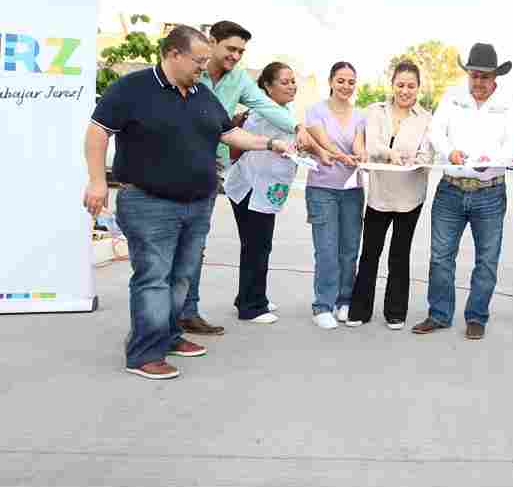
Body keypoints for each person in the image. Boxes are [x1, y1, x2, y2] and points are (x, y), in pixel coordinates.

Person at [82, 26, 291, 380]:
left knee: (181, 278)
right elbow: (98, 130)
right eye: (198, 60)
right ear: (173, 54)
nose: (202, 67)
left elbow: (227, 132)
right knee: (153, 278)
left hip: (197, 203)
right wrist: (97, 181)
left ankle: (170, 335)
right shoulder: (132, 88)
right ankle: (144, 353)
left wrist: (271, 144)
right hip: (149, 202)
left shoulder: (200, 94)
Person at [180, 20, 314, 337]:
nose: (236, 56)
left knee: (195, 245)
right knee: (178, 246)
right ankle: (239, 304)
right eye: (231, 48)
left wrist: (296, 128)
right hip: (187, 167)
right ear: (211, 42)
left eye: (241, 51)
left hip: (208, 169)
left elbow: (268, 109)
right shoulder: (192, 75)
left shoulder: (241, 82)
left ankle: (189, 312)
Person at [412, 43, 513, 340]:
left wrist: (496, 161)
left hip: (490, 192)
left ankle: (476, 317)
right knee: (440, 257)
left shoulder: (509, 102)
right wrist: (450, 153)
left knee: (487, 260)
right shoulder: (452, 97)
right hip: (451, 189)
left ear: (495, 78)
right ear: (468, 75)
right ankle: (439, 314)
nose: (479, 83)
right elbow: (436, 132)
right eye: (474, 76)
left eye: (485, 77)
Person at [223, 62, 334, 324]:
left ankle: (251, 296)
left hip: (266, 189)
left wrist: (315, 153)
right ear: (267, 87)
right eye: (284, 82)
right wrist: (319, 152)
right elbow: (245, 147)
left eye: (293, 81)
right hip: (251, 188)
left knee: (259, 245)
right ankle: (251, 306)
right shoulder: (263, 115)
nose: (292, 86)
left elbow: (299, 143)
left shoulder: (286, 112)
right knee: (256, 246)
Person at [348, 60, 433, 330]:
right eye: (400, 85)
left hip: (410, 196)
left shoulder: (426, 119)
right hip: (379, 195)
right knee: (370, 253)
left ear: (418, 88)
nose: (405, 91)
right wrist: (392, 154)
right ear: (392, 85)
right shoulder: (375, 111)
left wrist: (416, 159)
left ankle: (395, 312)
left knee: (400, 254)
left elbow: (429, 153)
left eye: (411, 86)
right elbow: (372, 144)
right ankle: (359, 310)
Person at [304, 61, 368, 330]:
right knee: (327, 249)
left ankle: (345, 300)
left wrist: (360, 154)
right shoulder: (315, 111)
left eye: (351, 81)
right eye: (341, 80)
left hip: (352, 189)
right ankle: (322, 305)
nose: (346, 86)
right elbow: (323, 142)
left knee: (350, 249)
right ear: (331, 81)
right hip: (322, 188)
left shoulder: (360, 115)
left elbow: (358, 143)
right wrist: (342, 155)